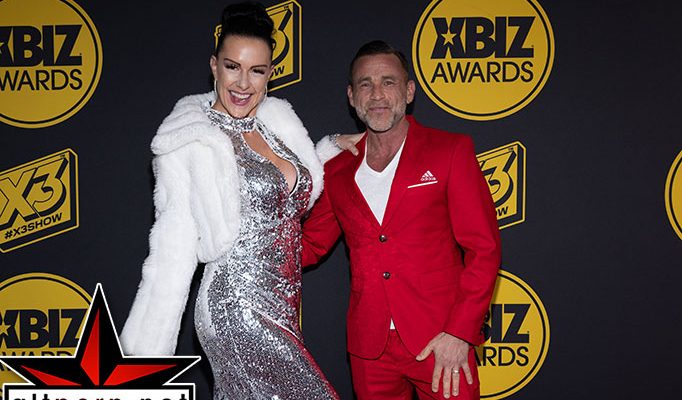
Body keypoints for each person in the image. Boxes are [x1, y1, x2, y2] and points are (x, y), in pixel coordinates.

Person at [119, 2, 339, 399]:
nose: (243, 83)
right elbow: (172, 243)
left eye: (257, 70)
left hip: (283, 306)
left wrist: (334, 147)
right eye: (232, 66)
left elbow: (284, 192)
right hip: (234, 308)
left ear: (270, 74)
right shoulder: (191, 141)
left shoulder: (276, 125)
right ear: (214, 66)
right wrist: (147, 354)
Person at [303, 40, 502, 400]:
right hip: (369, 347)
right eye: (365, 84)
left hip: (441, 341)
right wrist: (243, 250)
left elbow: (483, 249)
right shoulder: (336, 169)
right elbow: (311, 245)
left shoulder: (450, 150)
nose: (377, 94)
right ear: (352, 96)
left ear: (409, 91)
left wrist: (460, 333)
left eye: (388, 82)